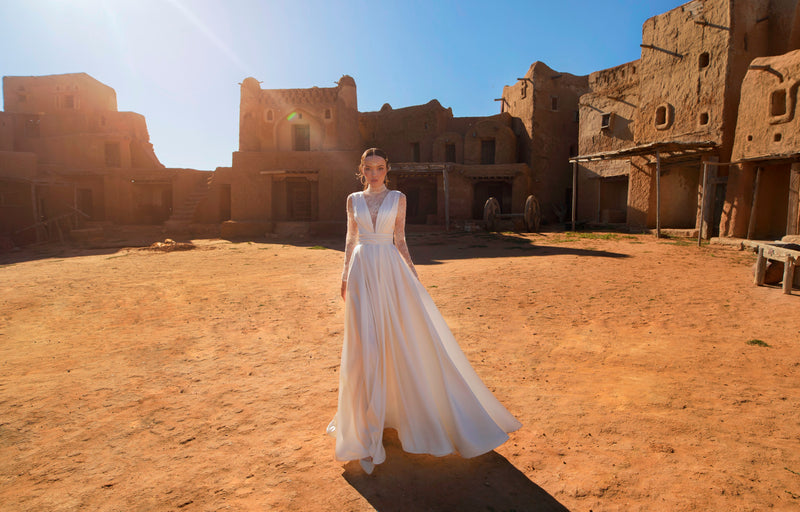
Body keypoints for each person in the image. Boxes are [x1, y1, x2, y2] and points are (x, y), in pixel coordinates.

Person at [327, 148, 521, 475]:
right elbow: (350, 238)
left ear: (388, 170)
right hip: (362, 272)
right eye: (369, 168)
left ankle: (397, 417)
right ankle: (366, 427)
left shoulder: (398, 198)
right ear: (362, 170)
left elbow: (400, 240)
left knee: (399, 341)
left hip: (390, 271)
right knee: (365, 347)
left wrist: (414, 277)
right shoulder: (353, 200)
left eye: (380, 168)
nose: (375, 173)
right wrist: (344, 275)